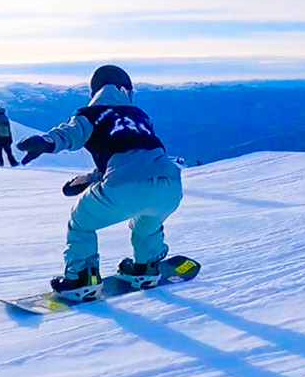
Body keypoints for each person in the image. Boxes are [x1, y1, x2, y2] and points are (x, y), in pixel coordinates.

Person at [16, 65, 182, 301]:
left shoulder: (90, 115)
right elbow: (134, 156)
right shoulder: (139, 115)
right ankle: (147, 267)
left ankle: (82, 279)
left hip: (125, 187)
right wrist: (88, 179)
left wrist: (45, 142)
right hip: (171, 186)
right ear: (126, 90)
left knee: (81, 221)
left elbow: (69, 134)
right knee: (147, 221)